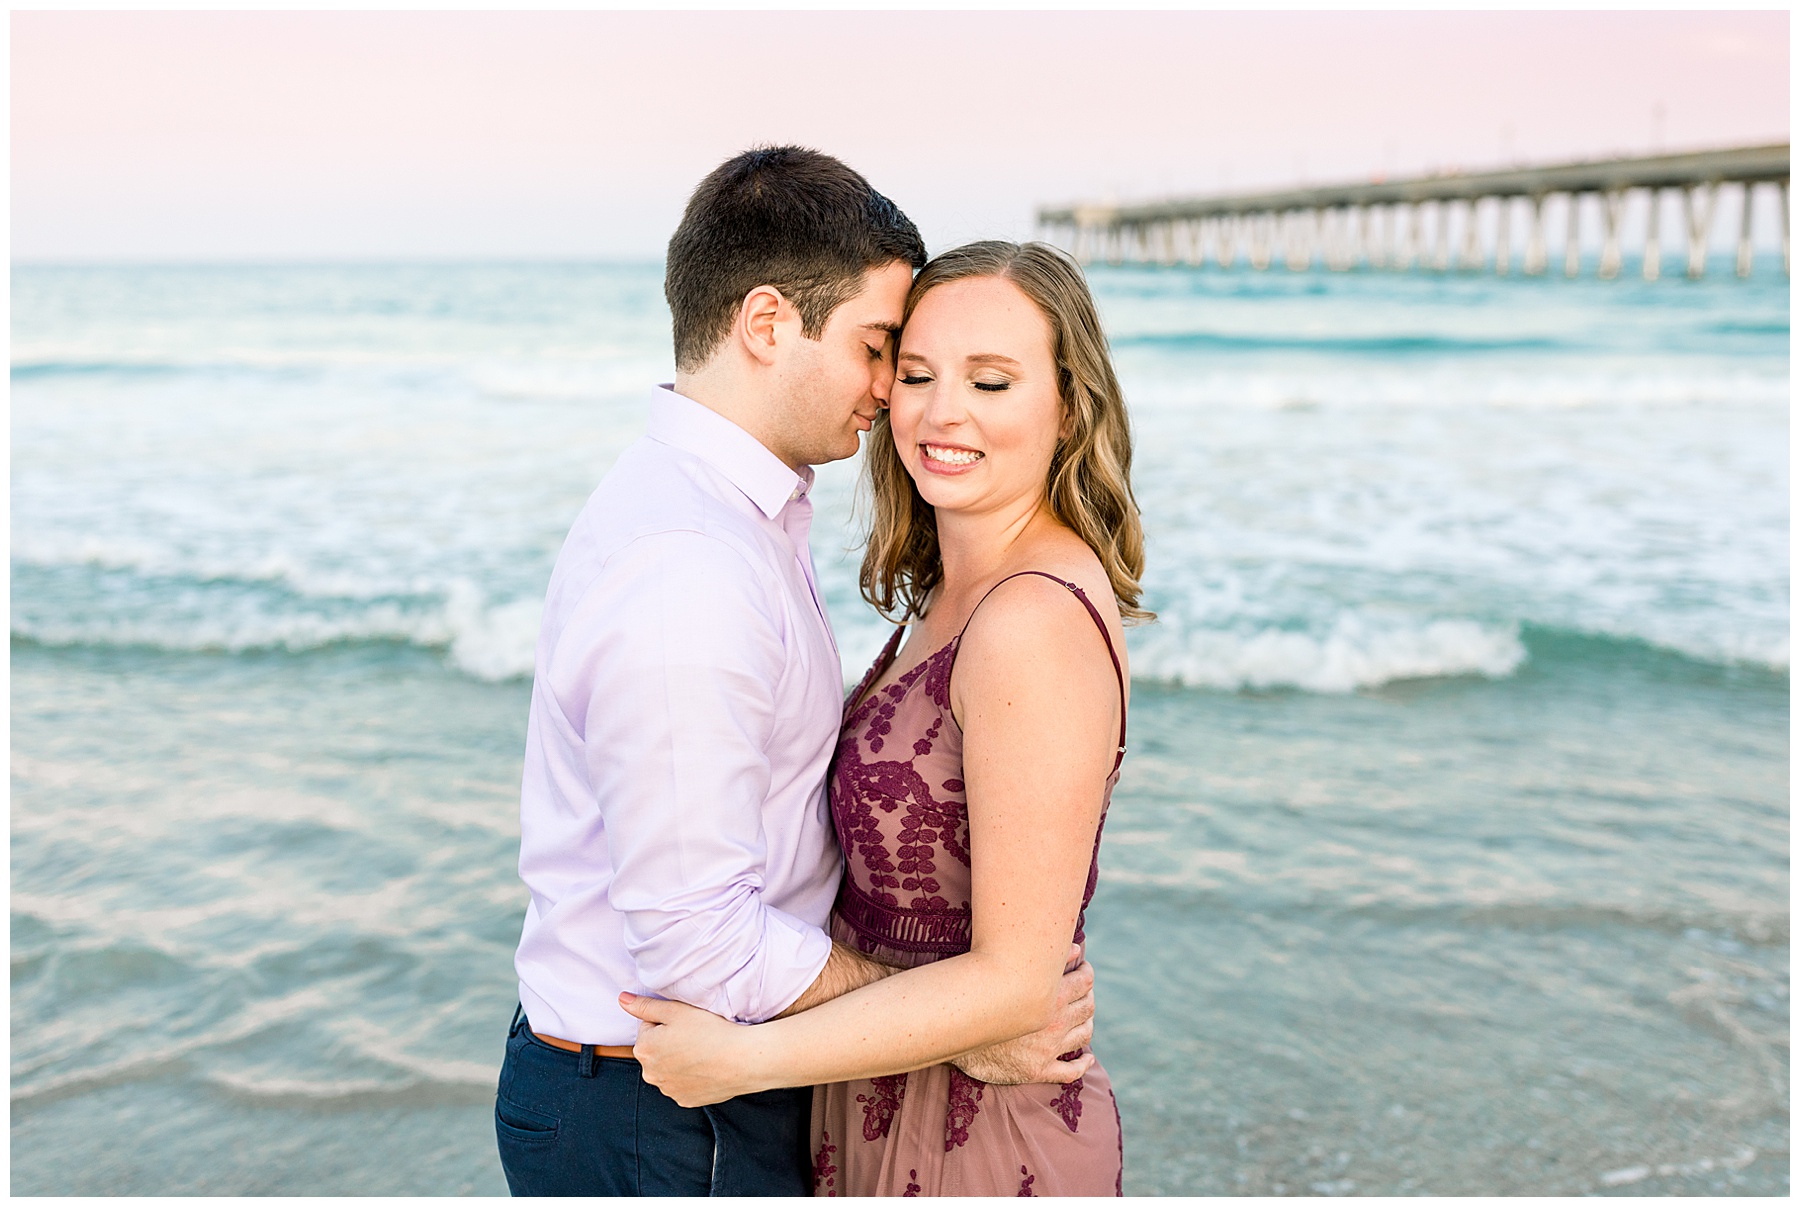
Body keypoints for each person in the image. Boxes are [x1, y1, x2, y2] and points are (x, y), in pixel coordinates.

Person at [495, 150, 1096, 1197]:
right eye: (883, 351)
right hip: (665, 1107)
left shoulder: (738, 518)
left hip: (704, 1087)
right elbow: (700, 946)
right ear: (768, 324)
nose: (893, 393)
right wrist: (959, 1025)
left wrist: (967, 1002)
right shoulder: (693, 568)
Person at [620, 240, 1150, 1196]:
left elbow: (1016, 984)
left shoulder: (1029, 617)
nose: (942, 410)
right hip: (879, 1097)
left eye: (991, 381)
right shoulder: (956, 589)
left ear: (1069, 403)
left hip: (982, 1135)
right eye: (914, 372)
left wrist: (742, 1062)